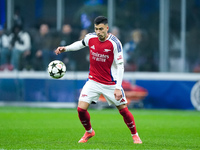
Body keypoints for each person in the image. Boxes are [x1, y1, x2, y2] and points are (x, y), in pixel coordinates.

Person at [54, 16, 142, 144]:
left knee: (123, 110)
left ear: (107, 28)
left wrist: (118, 87)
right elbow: (80, 44)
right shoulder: (91, 37)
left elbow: (120, 66)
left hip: (110, 84)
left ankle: (135, 135)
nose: (98, 32)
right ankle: (89, 132)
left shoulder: (115, 43)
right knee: (80, 109)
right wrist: (65, 48)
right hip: (93, 81)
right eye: (96, 29)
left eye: (101, 29)